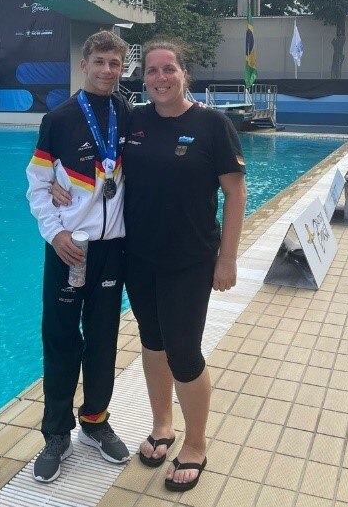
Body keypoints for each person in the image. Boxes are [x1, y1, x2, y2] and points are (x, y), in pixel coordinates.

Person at [52, 39, 246, 493]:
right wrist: (55, 185)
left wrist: (228, 257)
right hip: (138, 257)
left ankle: (195, 445)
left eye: (169, 70)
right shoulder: (134, 120)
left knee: (184, 352)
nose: (159, 78)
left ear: (184, 74)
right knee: (153, 343)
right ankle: (163, 426)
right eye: (152, 71)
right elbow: (83, 150)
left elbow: (235, 193)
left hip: (190, 260)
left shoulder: (212, 125)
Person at [26, 30, 133, 483]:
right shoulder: (60, 118)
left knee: (104, 339)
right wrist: (55, 234)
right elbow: (36, 185)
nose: (108, 70)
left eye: (116, 63)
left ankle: (95, 421)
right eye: (101, 61)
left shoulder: (130, 116)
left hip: (113, 250)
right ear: (85, 63)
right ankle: (56, 434)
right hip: (70, 248)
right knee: (62, 339)